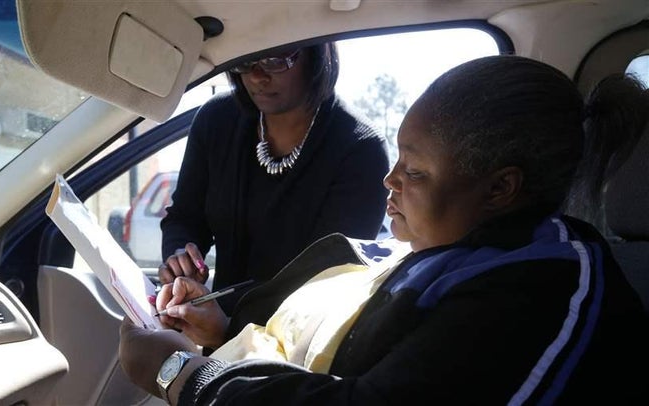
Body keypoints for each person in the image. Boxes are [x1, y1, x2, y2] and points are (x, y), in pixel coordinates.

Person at [120, 55, 649, 405]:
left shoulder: (543, 289)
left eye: (414, 171)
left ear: (499, 189)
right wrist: (223, 329)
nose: (389, 179)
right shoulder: (436, 252)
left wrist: (182, 376)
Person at [159, 42, 390, 314]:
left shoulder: (360, 149)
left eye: (275, 59)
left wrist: (218, 316)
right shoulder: (216, 121)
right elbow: (185, 218)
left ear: (316, 55)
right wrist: (181, 259)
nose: (257, 75)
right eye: (244, 61)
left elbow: (326, 280)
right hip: (215, 334)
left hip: (294, 344)